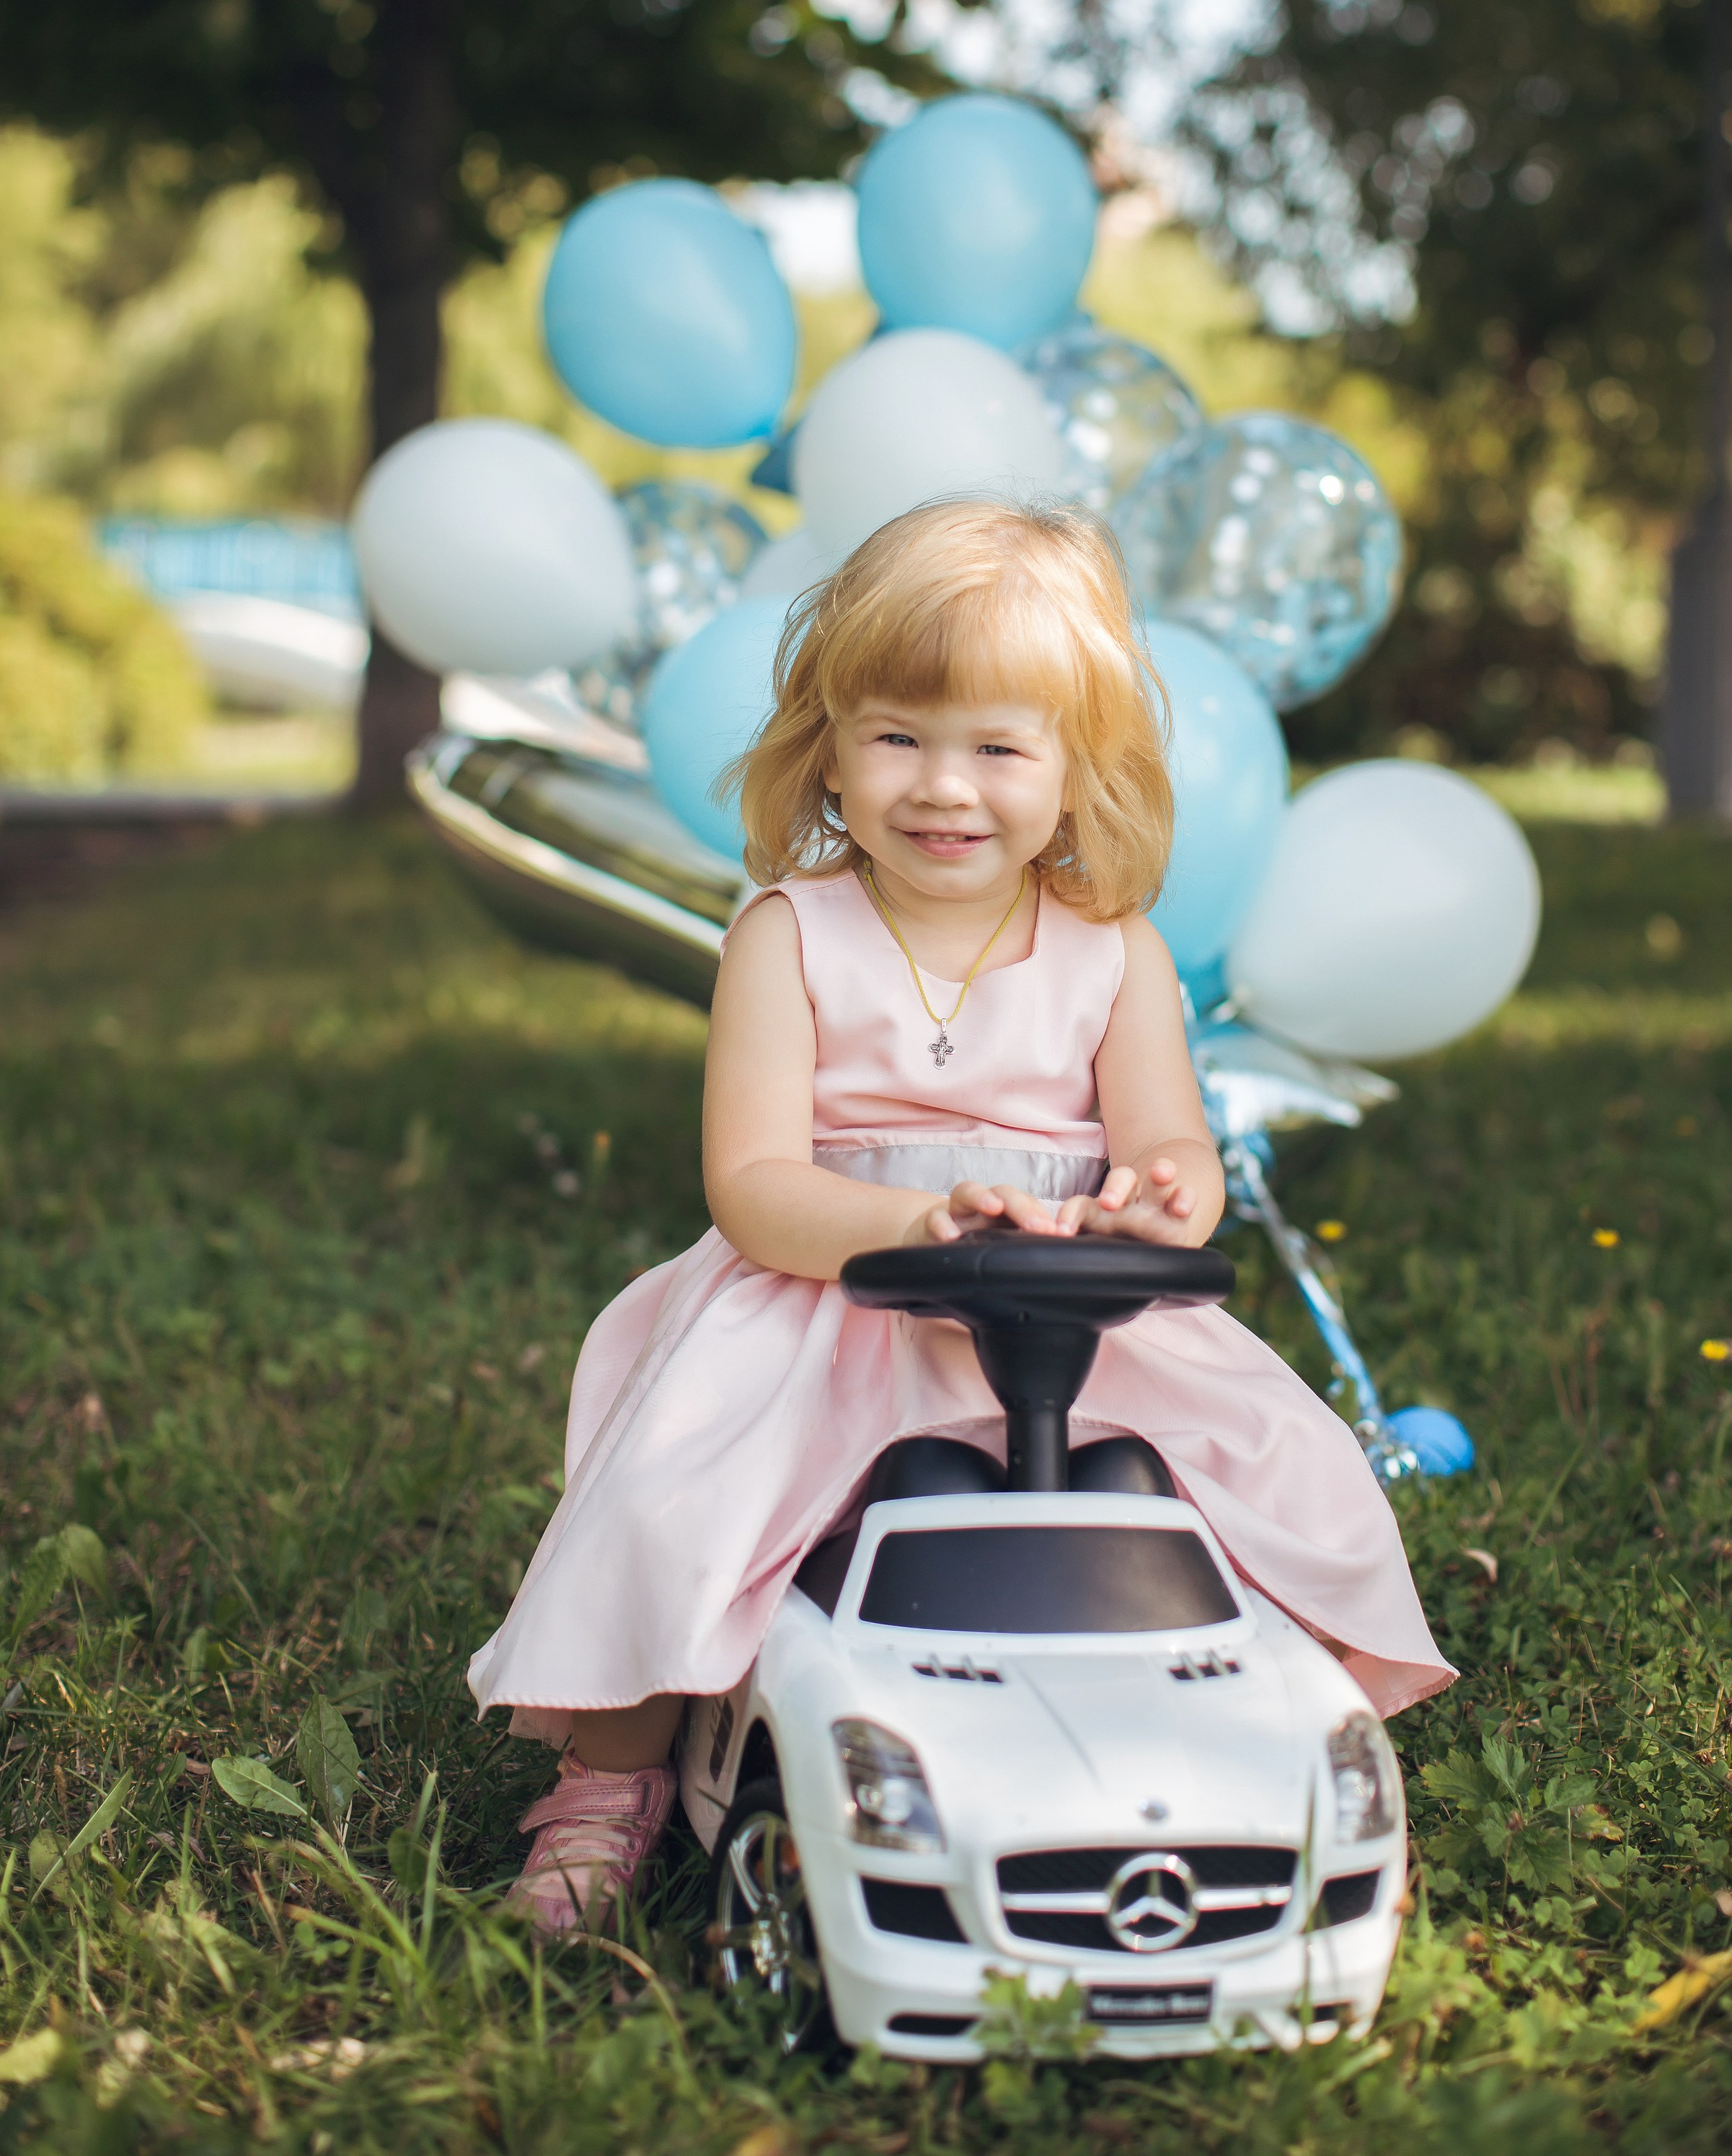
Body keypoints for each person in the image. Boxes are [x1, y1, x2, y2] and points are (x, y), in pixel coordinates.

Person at [469, 498, 1453, 1935]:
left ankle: (1282, 1751)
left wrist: (1164, 1182)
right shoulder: (786, 934)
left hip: (1068, 1308)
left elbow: (1163, 1135)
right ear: (827, 742)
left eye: (996, 746)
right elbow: (750, 1179)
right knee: (677, 1498)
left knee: (1282, 1481)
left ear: (1075, 765)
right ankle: (606, 1780)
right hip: (828, 1297)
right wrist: (911, 1227)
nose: (944, 788)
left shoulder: (1112, 950)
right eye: (895, 737)